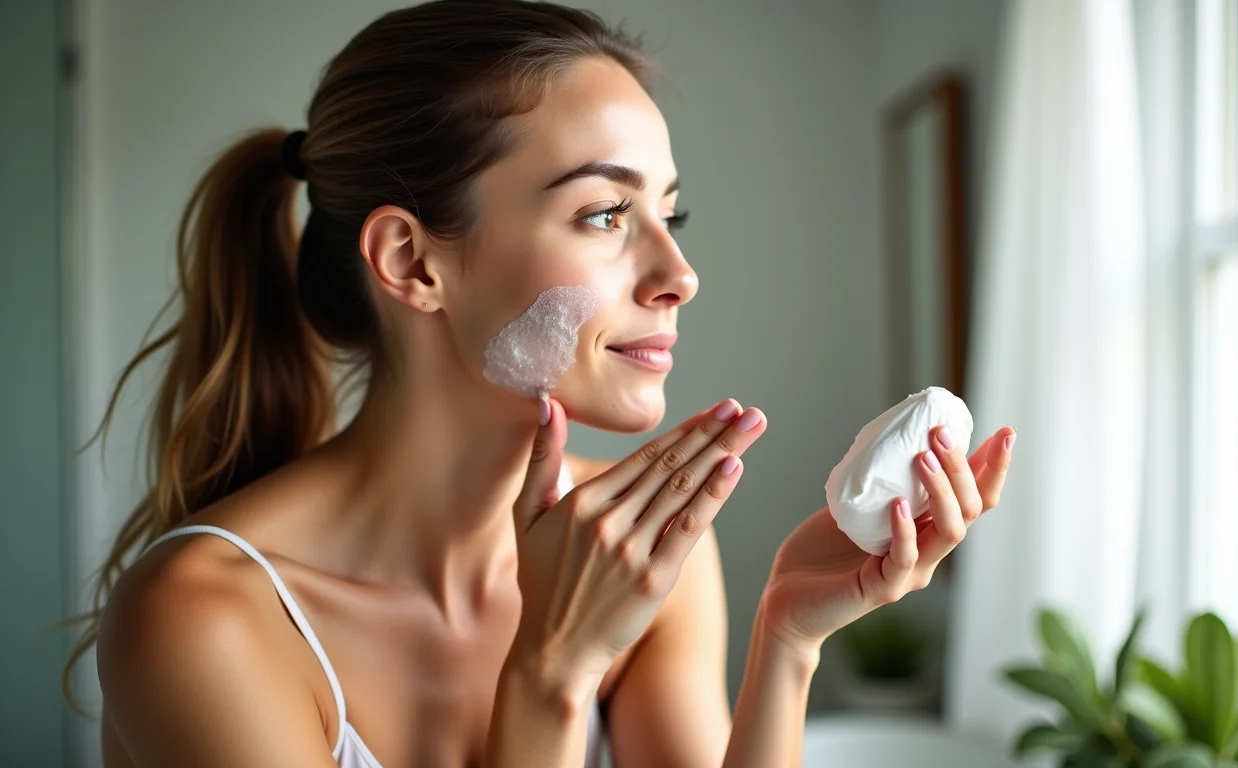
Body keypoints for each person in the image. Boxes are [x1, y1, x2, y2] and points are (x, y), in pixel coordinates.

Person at [65, 1, 1017, 765]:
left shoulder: (643, 554)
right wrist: (551, 677)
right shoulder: (204, 620)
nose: (678, 274)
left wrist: (787, 641)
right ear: (411, 261)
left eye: (670, 211)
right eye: (605, 213)